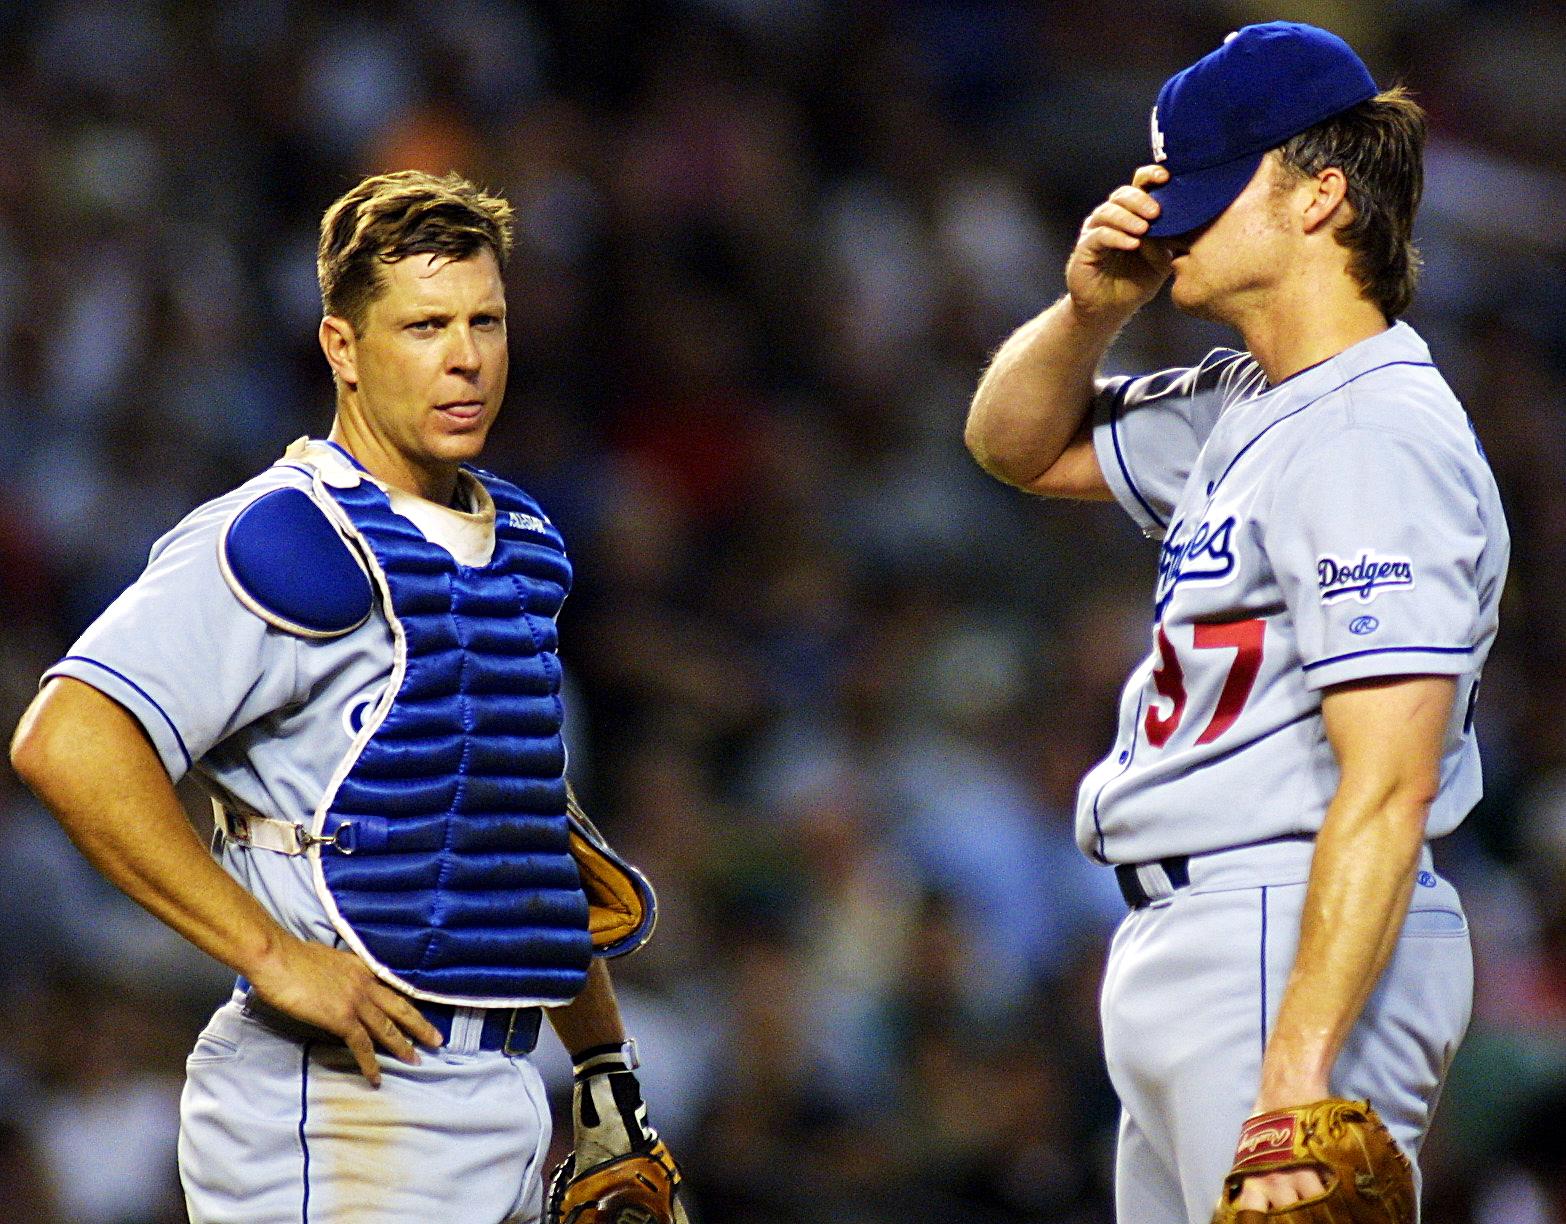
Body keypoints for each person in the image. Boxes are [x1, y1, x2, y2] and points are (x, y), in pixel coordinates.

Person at [11, 170, 684, 1223]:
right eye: (423, 326)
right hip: (341, 1104)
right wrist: (267, 952)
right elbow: (69, 739)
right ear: (342, 347)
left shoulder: (521, 545)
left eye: (485, 321)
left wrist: (601, 1065)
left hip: (502, 1089)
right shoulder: (283, 536)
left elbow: (513, 838)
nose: (465, 357)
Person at [964, 21, 1507, 1224]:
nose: (1171, 220)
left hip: (1287, 928)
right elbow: (1011, 442)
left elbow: (1389, 781)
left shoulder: (1375, 433)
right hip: (1198, 941)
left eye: (1208, 188)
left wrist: (1295, 1078)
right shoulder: (1250, 398)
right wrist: (1088, 313)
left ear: (1321, 197)